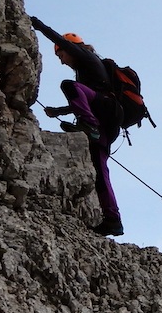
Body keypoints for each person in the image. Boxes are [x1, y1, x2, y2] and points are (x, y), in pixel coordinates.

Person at [30, 16, 124, 237]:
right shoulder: (87, 71)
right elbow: (87, 98)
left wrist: (39, 25)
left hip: (105, 114)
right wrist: (59, 111)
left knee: (68, 86)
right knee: (100, 171)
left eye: (60, 54)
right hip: (107, 122)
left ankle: (88, 126)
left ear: (70, 48)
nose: (61, 60)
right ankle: (113, 220)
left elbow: (83, 94)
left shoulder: (86, 57)